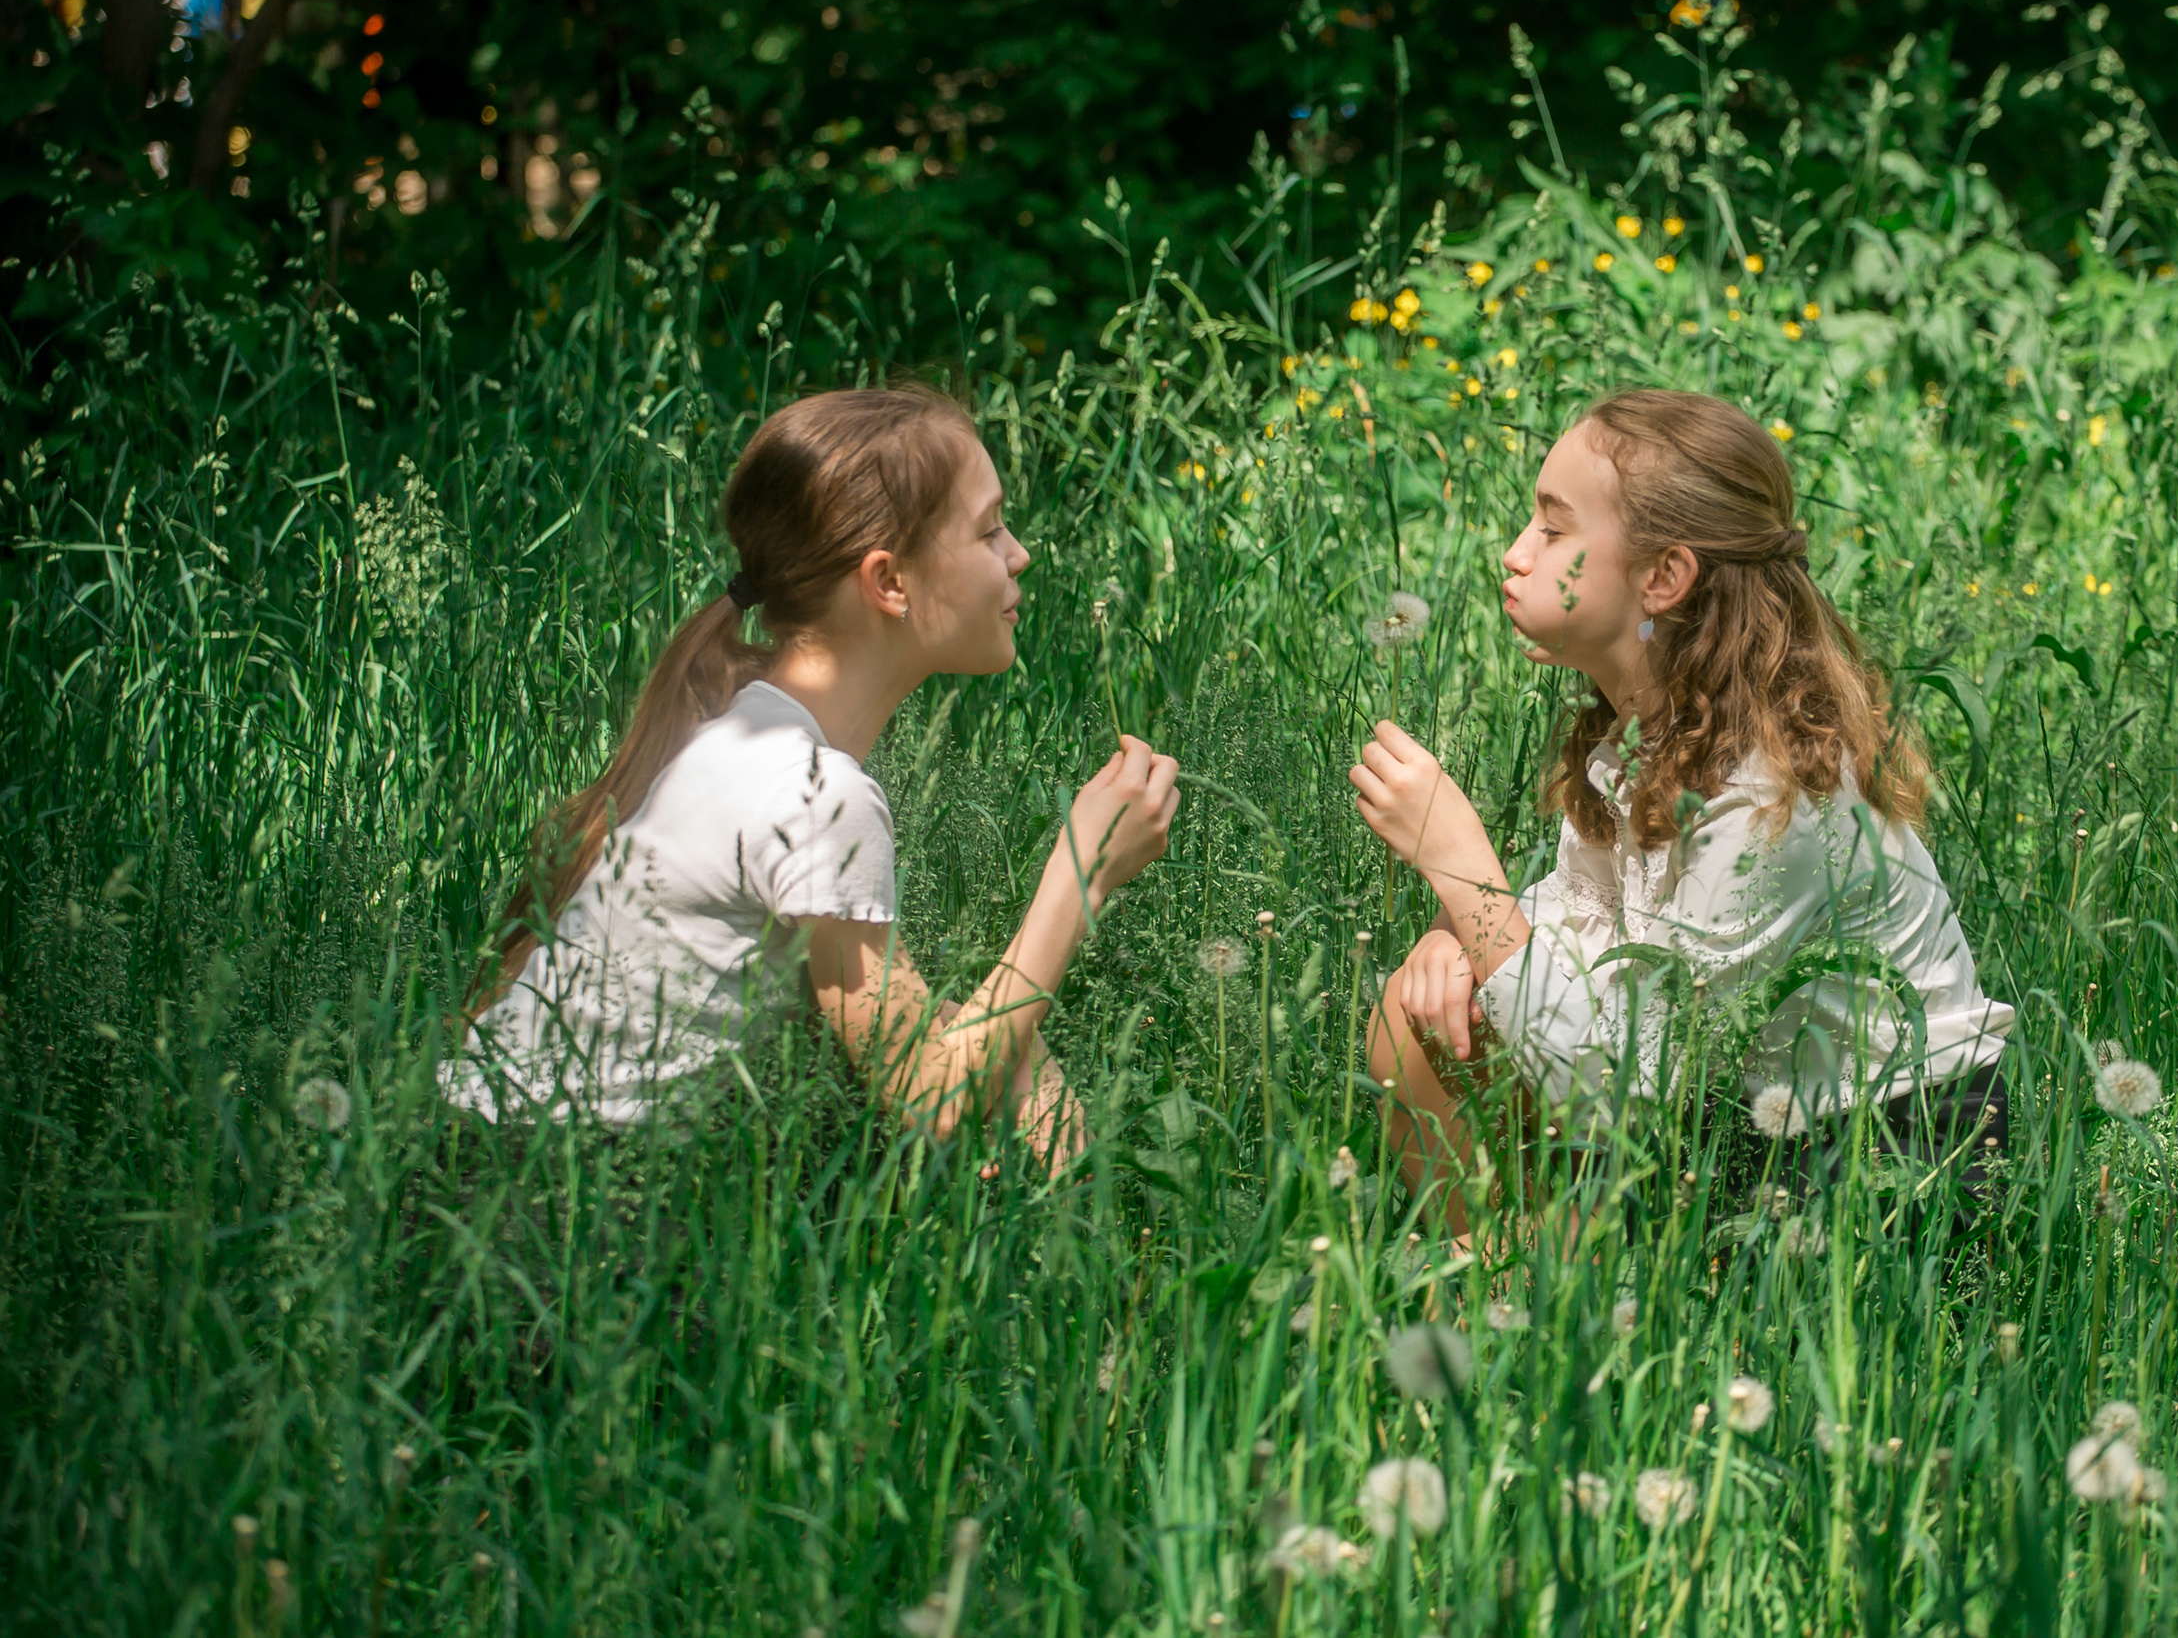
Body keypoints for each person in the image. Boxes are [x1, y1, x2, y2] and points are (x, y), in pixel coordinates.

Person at [450, 386, 1181, 1169]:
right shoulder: (814, 792)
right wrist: (1082, 875)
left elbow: (921, 1049)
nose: (1018, 553)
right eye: (989, 528)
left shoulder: (740, 731)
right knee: (998, 1052)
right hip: (554, 1206)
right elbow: (929, 1100)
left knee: (1005, 1048)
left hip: (483, 1158)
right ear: (890, 582)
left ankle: (1088, 1252)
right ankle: (1108, 1262)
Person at [1349, 389, 2012, 1239]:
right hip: (1737, 1123)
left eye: (1554, 531)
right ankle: (1499, 1290)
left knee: (1495, 1042)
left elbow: (1626, 1091)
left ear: (1662, 577)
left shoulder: (1773, 792)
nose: (1515, 554)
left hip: (1882, 1168)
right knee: (1420, 1014)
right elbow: (1582, 963)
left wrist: (1461, 867)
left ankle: (1511, 1299)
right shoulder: (1645, 729)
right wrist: (1454, 931)